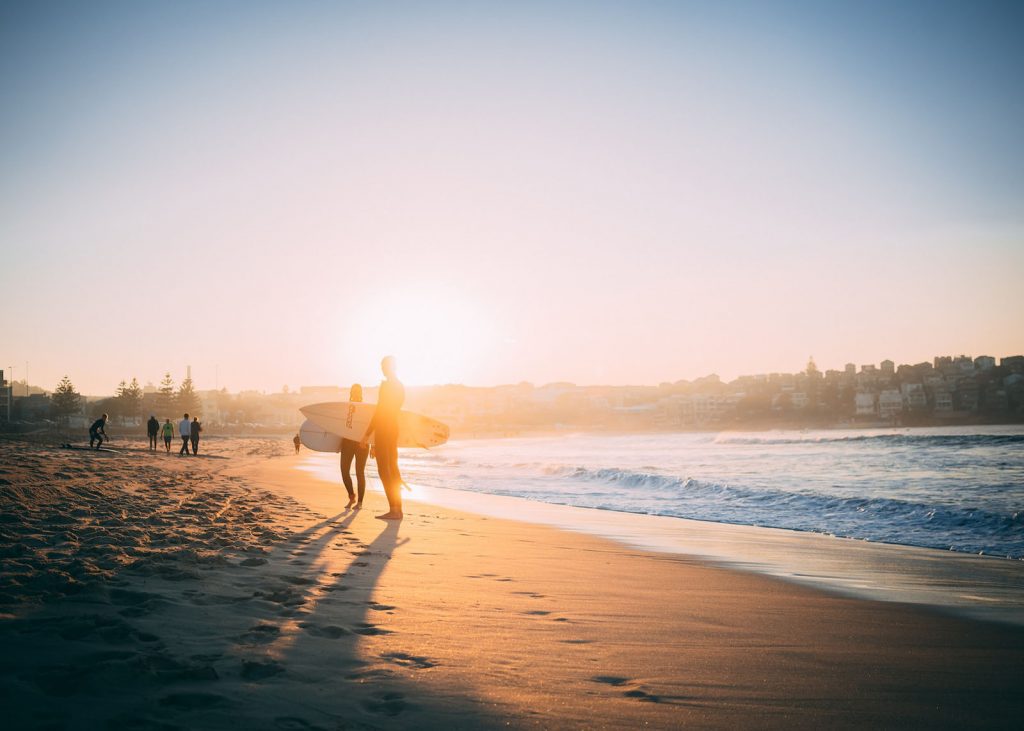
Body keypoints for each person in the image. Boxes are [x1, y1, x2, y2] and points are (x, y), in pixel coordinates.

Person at [359, 356, 405, 520]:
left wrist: (367, 435)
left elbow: (380, 411)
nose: (382, 369)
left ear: (389, 367)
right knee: (393, 467)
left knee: (384, 469)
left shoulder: (386, 386)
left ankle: (394, 509)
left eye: (383, 366)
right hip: (393, 428)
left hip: (384, 428)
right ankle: (397, 508)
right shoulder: (400, 386)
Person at [341, 384, 370, 510]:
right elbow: (339, 425)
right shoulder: (345, 408)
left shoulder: (366, 408)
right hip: (347, 442)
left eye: (358, 391)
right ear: (351, 392)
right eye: (354, 390)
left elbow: (371, 427)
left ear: (361, 393)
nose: (356, 393)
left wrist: (373, 445)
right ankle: (351, 496)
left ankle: (360, 502)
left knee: (359, 473)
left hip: (361, 443)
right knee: (344, 471)